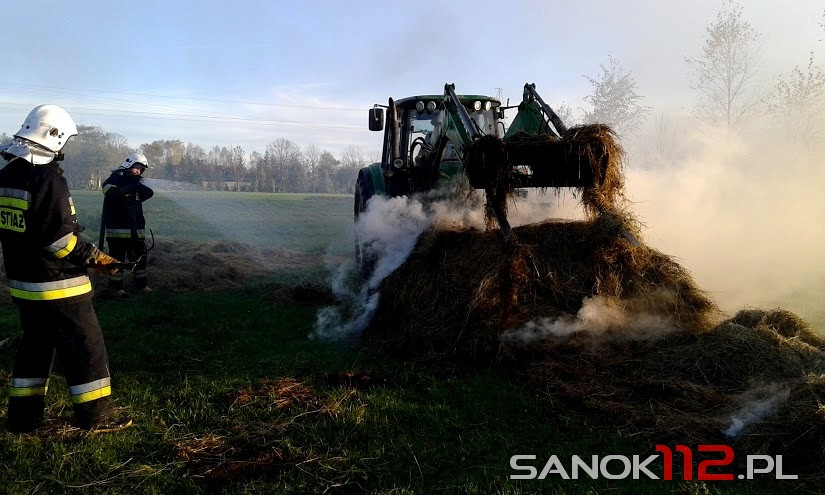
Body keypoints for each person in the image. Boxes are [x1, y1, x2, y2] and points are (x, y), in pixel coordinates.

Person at [0, 104, 130, 433]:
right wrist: (96, 258)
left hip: (24, 283)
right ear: (54, 137)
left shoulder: (7, 175)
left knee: (35, 348)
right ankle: (96, 418)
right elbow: (58, 241)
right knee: (85, 347)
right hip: (58, 286)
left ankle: (23, 418)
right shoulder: (47, 179)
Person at [101, 152, 154, 296]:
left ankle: (141, 285)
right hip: (118, 230)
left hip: (136, 230)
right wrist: (129, 186)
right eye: (136, 167)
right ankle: (116, 288)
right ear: (128, 165)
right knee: (117, 260)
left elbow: (149, 193)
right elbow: (110, 193)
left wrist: (135, 184)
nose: (138, 171)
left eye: (141, 169)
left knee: (140, 259)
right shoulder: (116, 178)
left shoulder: (137, 182)